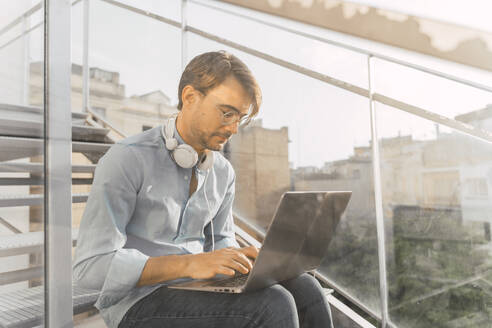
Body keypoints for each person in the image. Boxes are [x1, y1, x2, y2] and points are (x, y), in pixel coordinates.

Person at [73, 51, 333, 328]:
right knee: (273, 303)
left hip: (198, 287)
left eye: (240, 118)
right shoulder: (126, 159)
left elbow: (221, 238)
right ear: (190, 97)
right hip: (137, 302)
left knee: (306, 288)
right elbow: (90, 267)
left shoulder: (221, 171)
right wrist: (189, 264)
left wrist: (243, 261)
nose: (233, 128)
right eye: (227, 113)